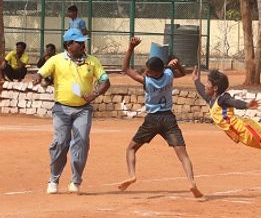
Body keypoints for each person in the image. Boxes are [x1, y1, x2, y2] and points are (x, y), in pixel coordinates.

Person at [117, 37, 202, 198]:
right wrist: (178, 65)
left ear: (155, 72)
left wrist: (131, 48)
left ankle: (131, 175)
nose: (146, 71)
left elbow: (125, 68)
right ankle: (191, 182)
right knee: (183, 155)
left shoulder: (147, 81)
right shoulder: (168, 74)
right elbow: (183, 73)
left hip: (152, 119)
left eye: (149, 70)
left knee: (131, 149)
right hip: (168, 119)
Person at [32, 29, 110, 195]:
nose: (83, 44)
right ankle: (53, 179)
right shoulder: (56, 60)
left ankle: (76, 180)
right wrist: (37, 78)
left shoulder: (92, 61)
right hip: (61, 109)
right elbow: (41, 72)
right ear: (69, 44)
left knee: (81, 143)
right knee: (60, 142)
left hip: (83, 110)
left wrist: (95, 93)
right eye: (79, 42)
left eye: (83, 42)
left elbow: (105, 81)